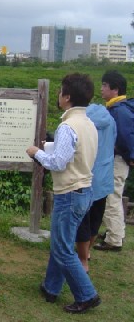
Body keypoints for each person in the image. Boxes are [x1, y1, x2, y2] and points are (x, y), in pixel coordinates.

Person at [26, 73, 100, 314]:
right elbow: (74, 153)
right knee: (62, 243)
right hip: (84, 190)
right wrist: (49, 146)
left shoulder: (68, 126)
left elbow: (58, 162)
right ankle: (51, 287)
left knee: (62, 248)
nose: (58, 95)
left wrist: (36, 151)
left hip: (69, 193)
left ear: (67, 97)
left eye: (60, 92)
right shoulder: (88, 123)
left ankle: (86, 295)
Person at [94, 70, 133, 252]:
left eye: (104, 85)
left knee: (112, 197)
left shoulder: (119, 110)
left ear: (115, 89)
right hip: (116, 159)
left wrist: (130, 157)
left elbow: (124, 138)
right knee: (112, 196)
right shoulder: (118, 107)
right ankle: (114, 233)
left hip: (118, 160)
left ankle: (115, 239)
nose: (101, 89)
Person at [75, 104, 116, 271]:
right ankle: (87, 253)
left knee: (83, 221)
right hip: (104, 177)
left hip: (87, 177)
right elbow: (114, 141)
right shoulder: (110, 119)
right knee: (96, 220)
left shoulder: (83, 122)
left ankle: (82, 260)